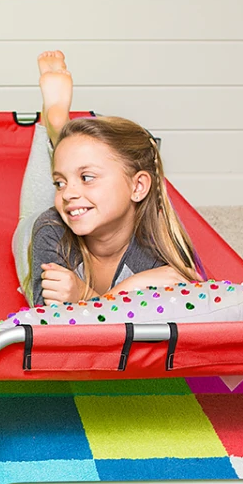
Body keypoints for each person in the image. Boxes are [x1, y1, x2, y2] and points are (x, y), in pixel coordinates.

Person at [26, 50, 204, 305]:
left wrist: (85, 297)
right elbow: (47, 322)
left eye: (87, 177)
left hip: (94, 214)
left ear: (138, 186)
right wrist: (120, 290)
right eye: (59, 184)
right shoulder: (50, 230)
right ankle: (55, 126)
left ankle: (58, 131)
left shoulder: (155, 254)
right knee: (30, 218)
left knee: (67, 168)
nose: (67, 193)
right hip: (37, 234)